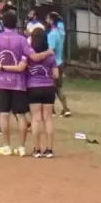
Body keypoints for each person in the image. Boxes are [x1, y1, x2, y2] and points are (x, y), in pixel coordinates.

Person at [0, 12, 31, 158]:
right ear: (16, 23)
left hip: (2, 82)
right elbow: (29, 57)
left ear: (3, 23)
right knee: (21, 115)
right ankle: (22, 147)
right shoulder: (22, 40)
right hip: (18, 83)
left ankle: (6, 145)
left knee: (3, 114)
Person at [23, 24, 59, 159]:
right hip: (48, 88)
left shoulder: (29, 54)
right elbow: (56, 75)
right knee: (48, 119)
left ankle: (37, 149)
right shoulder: (51, 56)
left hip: (33, 88)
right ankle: (49, 150)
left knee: (36, 119)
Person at [45, 12, 72, 118]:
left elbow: (51, 50)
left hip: (53, 63)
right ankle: (65, 108)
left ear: (52, 21)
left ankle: (53, 109)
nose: (46, 20)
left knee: (51, 87)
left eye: (48, 19)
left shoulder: (52, 34)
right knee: (58, 87)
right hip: (60, 61)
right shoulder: (61, 32)